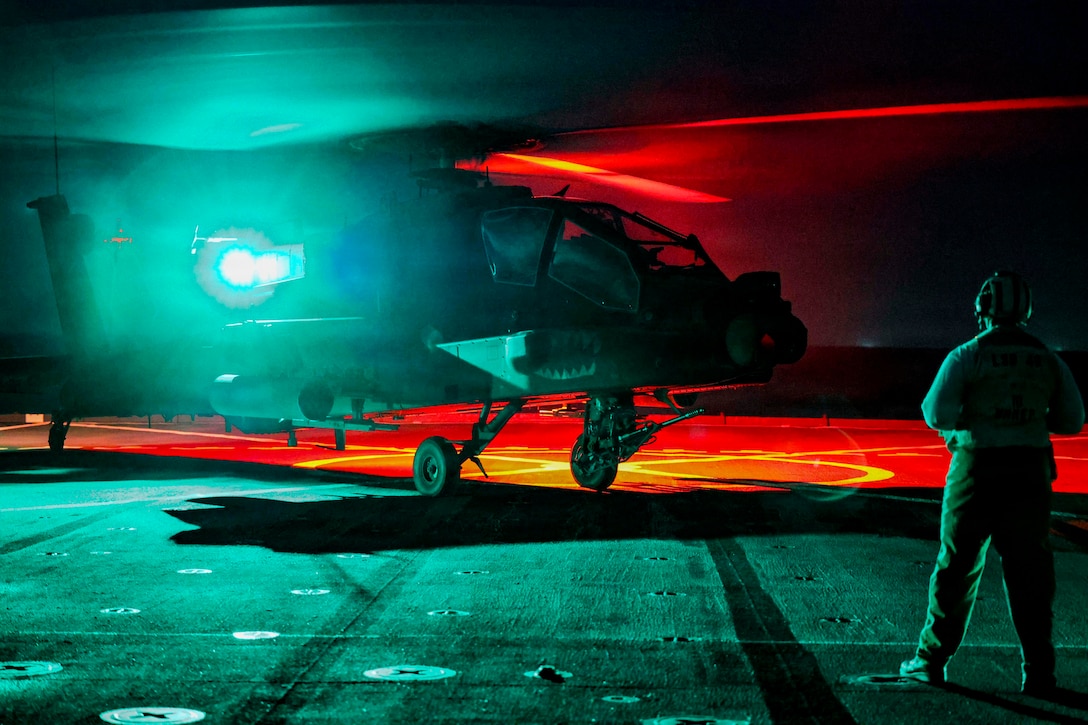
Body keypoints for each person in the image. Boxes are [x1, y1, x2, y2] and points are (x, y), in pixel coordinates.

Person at [899, 271, 1084, 696]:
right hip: (1030, 474)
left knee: (956, 567)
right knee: (1031, 574)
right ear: (1026, 311)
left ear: (984, 309)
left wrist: (971, 420)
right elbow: (1072, 420)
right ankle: (1039, 671)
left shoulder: (968, 354)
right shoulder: (1049, 359)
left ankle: (930, 662)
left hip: (976, 470)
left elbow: (935, 413)